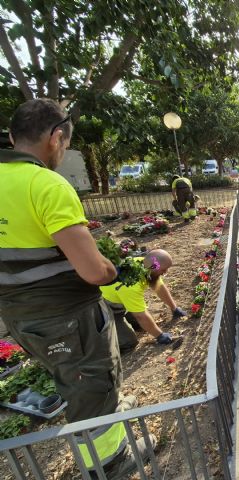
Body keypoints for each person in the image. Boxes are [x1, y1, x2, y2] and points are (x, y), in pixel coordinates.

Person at [0, 99, 155, 477]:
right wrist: (113, 268)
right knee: (89, 387)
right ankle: (108, 462)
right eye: (66, 144)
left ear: (11, 136)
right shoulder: (45, 184)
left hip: (21, 317)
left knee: (71, 376)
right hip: (67, 316)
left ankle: (111, 411)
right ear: (56, 137)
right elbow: (92, 271)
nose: (63, 151)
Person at [100, 249, 185, 352]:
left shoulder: (144, 263)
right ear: (154, 267)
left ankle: (125, 318)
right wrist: (159, 335)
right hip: (106, 309)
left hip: (121, 302)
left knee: (141, 325)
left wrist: (174, 308)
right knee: (129, 342)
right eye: (164, 270)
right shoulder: (131, 285)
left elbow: (159, 287)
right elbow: (140, 315)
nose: (165, 272)